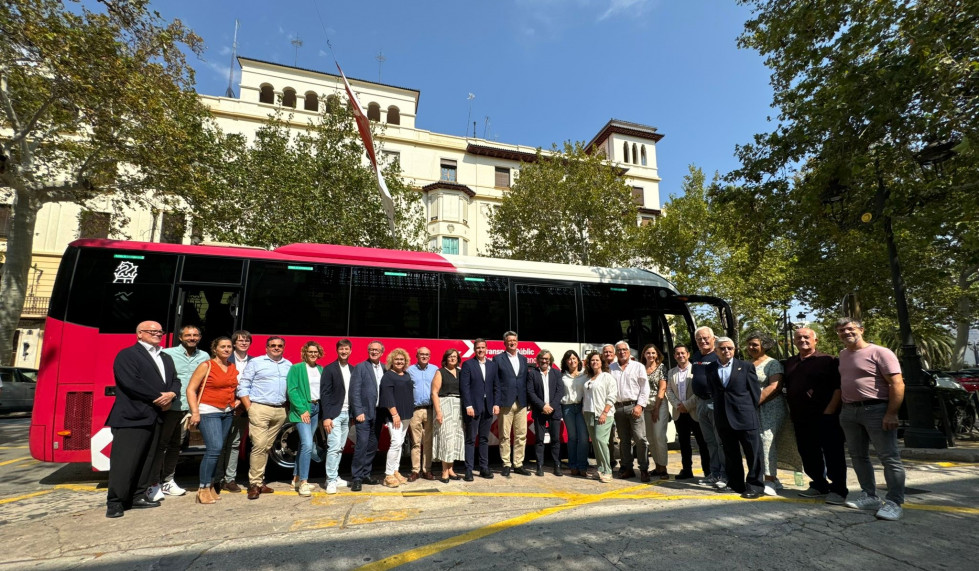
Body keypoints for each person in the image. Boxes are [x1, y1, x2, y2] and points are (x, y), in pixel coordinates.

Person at [105, 321, 179, 518]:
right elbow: (131, 382)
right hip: (132, 416)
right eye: (151, 331)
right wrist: (159, 397)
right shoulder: (127, 355)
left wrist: (172, 394)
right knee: (125, 462)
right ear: (139, 334)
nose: (157, 334)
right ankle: (116, 502)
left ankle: (137, 496)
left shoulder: (165, 357)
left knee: (148, 460)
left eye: (160, 331)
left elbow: (175, 380)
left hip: (156, 416)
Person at [836, 318, 906, 521]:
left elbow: (897, 383)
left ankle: (894, 502)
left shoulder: (881, 352)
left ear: (861, 329)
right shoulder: (843, 355)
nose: (846, 333)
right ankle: (870, 496)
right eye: (841, 330)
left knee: (889, 457)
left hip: (876, 409)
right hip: (849, 411)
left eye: (850, 328)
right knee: (858, 456)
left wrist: (892, 413)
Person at [784, 328, 847, 505]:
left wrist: (829, 412)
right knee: (808, 453)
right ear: (794, 341)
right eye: (799, 337)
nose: (802, 340)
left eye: (806, 337)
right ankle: (819, 485)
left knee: (832, 453)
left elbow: (838, 388)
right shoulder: (790, 362)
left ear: (815, 340)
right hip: (800, 417)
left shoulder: (828, 360)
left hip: (825, 416)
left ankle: (839, 489)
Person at [149, 325, 209, 500]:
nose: (192, 338)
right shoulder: (167, 354)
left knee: (176, 446)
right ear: (180, 338)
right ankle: (153, 483)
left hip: (188, 409)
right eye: (188, 335)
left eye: (195, 335)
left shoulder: (204, 356)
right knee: (161, 446)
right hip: (170, 407)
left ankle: (168, 481)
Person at [707, 336, 764, 499]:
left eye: (729, 348)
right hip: (723, 418)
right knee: (731, 453)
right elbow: (714, 391)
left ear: (734, 350)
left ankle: (755, 486)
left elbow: (755, 394)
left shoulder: (745, 367)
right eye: (722, 348)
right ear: (716, 351)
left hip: (745, 416)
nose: (726, 351)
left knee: (753, 453)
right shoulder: (710, 368)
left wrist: (748, 411)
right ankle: (735, 484)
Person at [237, 336, 292, 500]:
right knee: (259, 445)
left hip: (280, 411)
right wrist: (249, 407)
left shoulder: (288, 365)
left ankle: (260, 482)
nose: (276, 348)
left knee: (267, 447)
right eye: (273, 345)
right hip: (260, 408)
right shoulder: (256, 363)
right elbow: (243, 385)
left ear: (283, 347)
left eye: (279, 346)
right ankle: (254, 484)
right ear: (266, 347)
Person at [185, 337, 238, 504]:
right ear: (215, 349)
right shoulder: (206, 366)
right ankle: (203, 488)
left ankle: (211, 486)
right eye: (223, 347)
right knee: (213, 449)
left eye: (229, 347)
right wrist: (195, 412)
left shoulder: (231, 366)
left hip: (227, 413)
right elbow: (191, 389)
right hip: (209, 411)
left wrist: (235, 403)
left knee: (218, 450)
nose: (227, 349)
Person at [744, 331, 787, 496]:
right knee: (757, 444)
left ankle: (770, 480)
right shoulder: (748, 363)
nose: (751, 347)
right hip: (752, 409)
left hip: (770, 407)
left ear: (765, 345)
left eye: (755, 344)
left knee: (767, 441)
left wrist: (754, 402)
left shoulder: (772, 363)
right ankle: (769, 478)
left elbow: (774, 386)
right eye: (749, 344)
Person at [215, 330, 253, 493]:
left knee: (235, 443)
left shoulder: (254, 361)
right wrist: (233, 403)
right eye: (240, 341)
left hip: (243, 407)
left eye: (246, 341)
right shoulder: (224, 360)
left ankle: (230, 479)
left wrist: (243, 404)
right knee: (219, 444)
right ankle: (217, 478)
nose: (243, 343)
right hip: (224, 406)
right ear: (234, 344)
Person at [286, 341, 324, 497]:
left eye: (315, 352)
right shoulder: (297, 368)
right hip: (303, 410)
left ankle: (295, 478)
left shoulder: (321, 369)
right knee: (308, 444)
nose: (313, 354)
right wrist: (302, 410)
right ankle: (303, 483)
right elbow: (292, 390)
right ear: (305, 353)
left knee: (303, 445)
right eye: (310, 352)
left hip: (316, 408)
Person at [665, 345, 708, 480]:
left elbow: (698, 390)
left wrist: (687, 405)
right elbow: (669, 391)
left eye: (683, 353)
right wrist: (678, 405)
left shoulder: (696, 369)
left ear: (688, 354)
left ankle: (708, 471)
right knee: (684, 443)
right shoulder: (671, 372)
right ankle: (687, 470)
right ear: (674, 356)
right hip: (679, 412)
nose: (680, 356)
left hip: (694, 411)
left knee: (702, 443)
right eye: (677, 353)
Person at [690, 326, 725, 489]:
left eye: (705, 338)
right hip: (700, 403)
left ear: (713, 339)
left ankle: (725, 474)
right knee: (709, 441)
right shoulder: (696, 356)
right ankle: (714, 473)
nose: (702, 341)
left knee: (721, 441)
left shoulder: (719, 354)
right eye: (699, 339)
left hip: (715, 402)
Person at [349, 341, 386, 492]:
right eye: (371, 349)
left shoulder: (385, 367)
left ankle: (366, 474)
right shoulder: (360, 367)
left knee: (372, 445)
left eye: (376, 350)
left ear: (382, 352)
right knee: (362, 445)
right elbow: (354, 391)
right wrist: (358, 412)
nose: (374, 352)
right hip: (364, 413)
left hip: (379, 413)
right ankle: (356, 478)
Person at [610, 341, 650, 482]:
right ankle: (628, 468)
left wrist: (640, 406)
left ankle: (644, 469)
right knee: (624, 441)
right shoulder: (611, 368)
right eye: (619, 350)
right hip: (618, 407)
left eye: (624, 349)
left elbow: (645, 388)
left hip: (634, 406)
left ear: (629, 351)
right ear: (616, 353)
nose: (622, 352)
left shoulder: (638, 366)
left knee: (640, 439)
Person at [460, 338, 499, 481]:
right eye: (478, 348)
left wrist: (496, 403)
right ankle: (469, 470)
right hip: (473, 408)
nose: (480, 350)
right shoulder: (468, 364)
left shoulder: (492, 365)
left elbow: (496, 386)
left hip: (488, 407)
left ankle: (484, 468)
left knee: (484, 439)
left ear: (486, 348)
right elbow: (464, 387)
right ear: (474, 349)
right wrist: (468, 405)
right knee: (470, 439)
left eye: (482, 347)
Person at [493, 331, 530, 477]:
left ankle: (518, 464)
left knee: (521, 435)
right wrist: (496, 402)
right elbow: (495, 382)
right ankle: (506, 463)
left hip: (521, 402)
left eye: (514, 340)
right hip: (505, 402)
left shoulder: (524, 359)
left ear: (517, 342)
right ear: (504, 343)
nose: (512, 342)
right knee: (505, 435)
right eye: (509, 341)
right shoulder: (497, 359)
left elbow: (526, 381)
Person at [320, 339, 353, 495]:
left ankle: (334, 476)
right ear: (337, 351)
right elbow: (325, 394)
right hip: (334, 415)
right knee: (333, 448)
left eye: (346, 349)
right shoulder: (329, 369)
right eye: (341, 349)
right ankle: (331, 480)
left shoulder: (353, 369)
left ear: (350, 351)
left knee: (340, 447)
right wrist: (326, 417)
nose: (344, 352)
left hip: (348, 414)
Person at [379, 348, 415, 488]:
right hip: (395, 416)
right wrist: (394, 414)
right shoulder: (388, 376)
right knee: (395, 443)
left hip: (406, 415)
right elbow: (387, 397)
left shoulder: (405, 375)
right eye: (397, 359)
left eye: (402, 360)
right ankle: (388, 474)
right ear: (391, 361)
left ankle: (395, 471)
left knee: (399, 443)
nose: (399, 362)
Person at [527, 350, 565, 476]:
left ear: (550, 360)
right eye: (542, 358)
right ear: (538, 360)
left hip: (554, 411)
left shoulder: (556, 373)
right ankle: (539, 466)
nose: (544, 361)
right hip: (540, 411)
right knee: (539, 440)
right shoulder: (533, 374)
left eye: (547, 359)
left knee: (555, 440)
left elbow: (560, 391)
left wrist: (551, 407)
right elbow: (530, 392)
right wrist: (543, 406)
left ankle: (557, 465)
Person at [582, 351, 617, 483]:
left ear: (602, 362)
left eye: (597, 360)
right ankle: (601, 468)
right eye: (592, 360)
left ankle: (608, 471)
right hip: (589, 413)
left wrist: (604, 413)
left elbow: (612, 396)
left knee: (600, 440)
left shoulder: (607, 377)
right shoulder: (588, 379)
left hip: (603, 414)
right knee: (595, 443)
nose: (594, 362)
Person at [431, 348, 465, 483]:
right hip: (445, 405)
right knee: (446, 438)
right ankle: (444, 471)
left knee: (455, 439)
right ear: (445, 358)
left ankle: (451, 469)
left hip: (458, 407)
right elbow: (434, 392)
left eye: (455, 356)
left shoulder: (461, 372)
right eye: (450, 356)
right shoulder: (440, 372)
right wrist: (439, 412)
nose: (452, 358)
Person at [406, 347, 437, 482]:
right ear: (417, 356)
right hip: (415, 410)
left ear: (430, 356)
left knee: (428, 442)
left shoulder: (435, 370)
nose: (424, 356)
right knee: (415, 442)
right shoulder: (410, 371)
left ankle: (427, 470)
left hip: (430, 410)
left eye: (427, 354)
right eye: (422, 354)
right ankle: (415, 471)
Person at [641, 343, 670, 480]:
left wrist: (656, 409)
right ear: (644, 355)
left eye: (653, 353)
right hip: (645, 405)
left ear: (657, 354)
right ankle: (657, 466)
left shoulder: (661, 368)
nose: (651, 355)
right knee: (650, 438)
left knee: (659, 436)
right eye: (648, 353)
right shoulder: (641, 368)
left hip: (659, 404)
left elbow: (662, 389)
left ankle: (663, 467)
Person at [559, 350, 589, 477]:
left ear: (578, 360)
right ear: (566, 362)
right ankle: (573, 465)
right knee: (572, 437)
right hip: (567, 408)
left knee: (583, 437)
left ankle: (582, 466)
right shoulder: (562, 376)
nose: (572, 361)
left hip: (581, 407)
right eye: (569, 359)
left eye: (574, 358)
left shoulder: (585, 375)